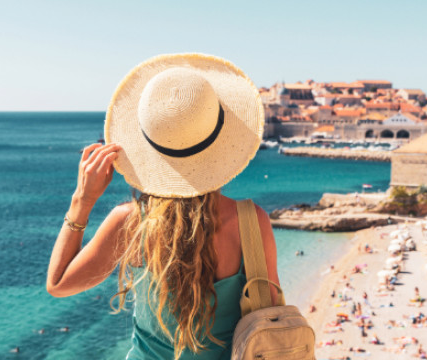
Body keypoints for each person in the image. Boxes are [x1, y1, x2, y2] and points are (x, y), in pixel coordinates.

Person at [46, 54, 280, 360]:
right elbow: (270, 319)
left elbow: (59, 284)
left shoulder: (130, 224)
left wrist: (82, 201)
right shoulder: (251, 222)